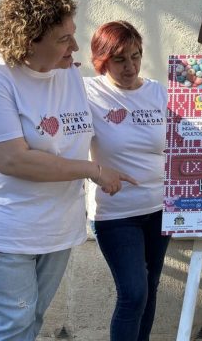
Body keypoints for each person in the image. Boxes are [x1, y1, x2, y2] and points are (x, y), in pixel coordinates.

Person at [0, 0, 134, 340]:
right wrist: (94, 170)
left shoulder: (67, 72)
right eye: (64, 39)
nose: (75, 48)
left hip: (54, 227)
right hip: (2, 226)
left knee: (30, 322)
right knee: (12, 327)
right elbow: (15, 161)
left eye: (72, 36)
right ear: (30, 40)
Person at [85, 21, 171, 341]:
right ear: (102, 60)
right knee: (133, 293)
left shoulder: (157, 92)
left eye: (135, 56)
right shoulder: (88, 92)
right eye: (120, 59)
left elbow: (179, 144)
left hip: (160, 208)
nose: (130, 66)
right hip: (116, 212)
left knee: (149, 289)